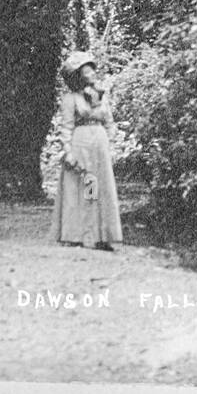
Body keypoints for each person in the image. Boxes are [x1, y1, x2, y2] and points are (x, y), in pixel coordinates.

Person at [51, 50, 123, 251]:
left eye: (91, 69)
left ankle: (102, 236)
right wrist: (68, 150)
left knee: (99, 188)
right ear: (78, 76)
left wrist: (111, 140)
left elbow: (109, 121)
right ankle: (79, 235)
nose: (91, 73)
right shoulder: (70, 99)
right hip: (80, 144)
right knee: (85, 186)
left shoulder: (101, 96)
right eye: (85, 71)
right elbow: (66, 127)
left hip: (99, 146)